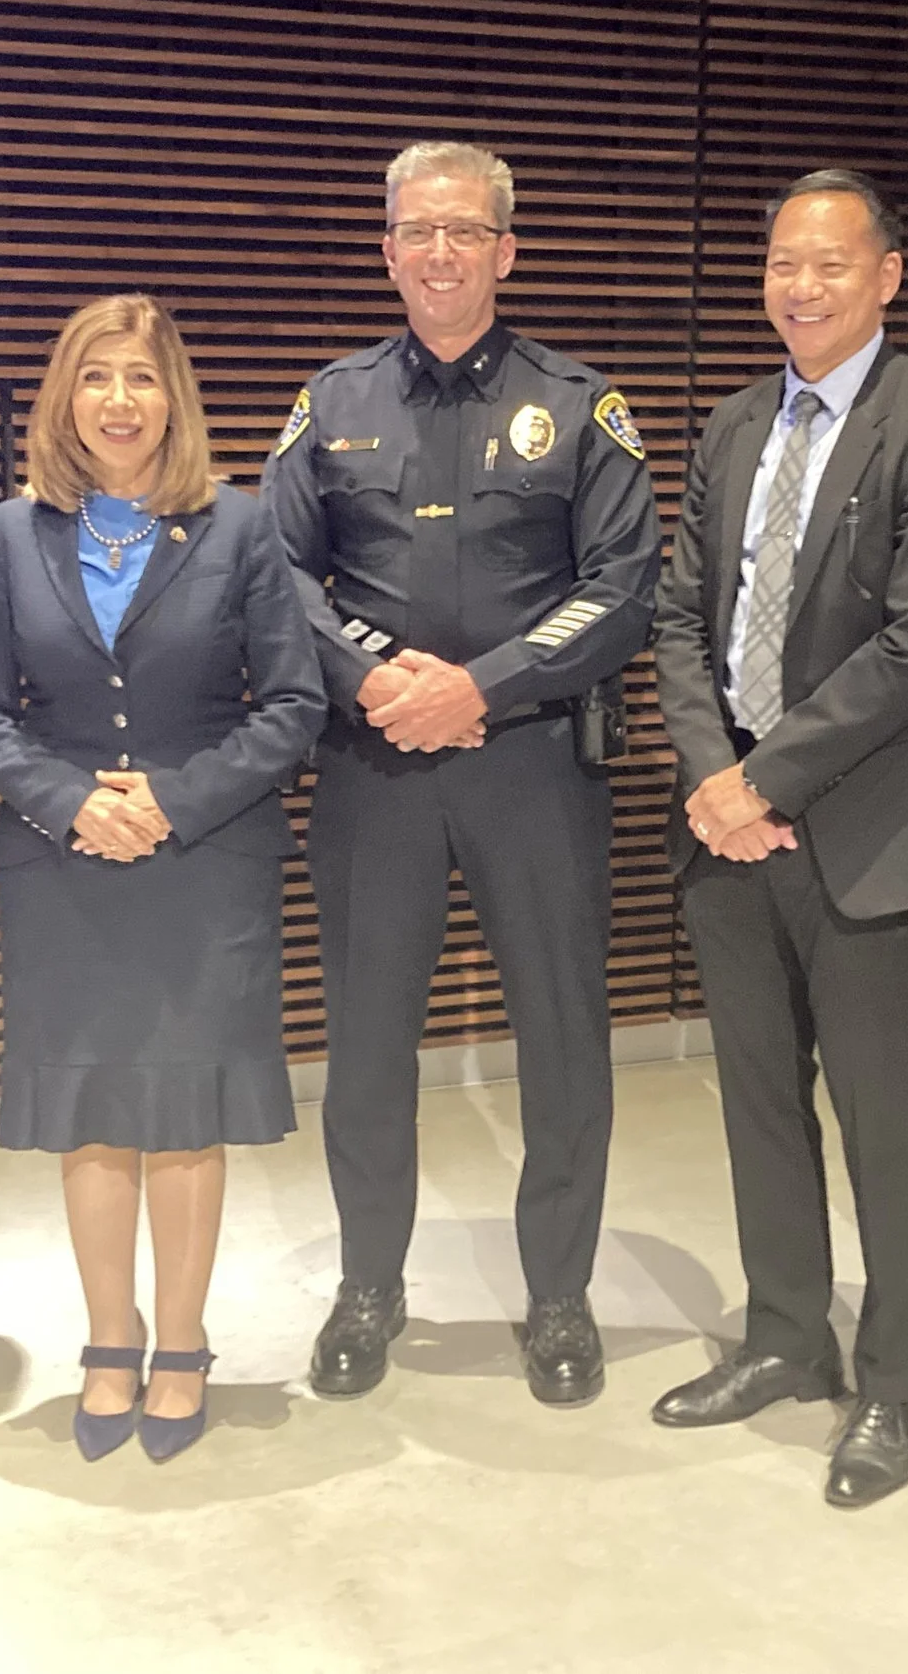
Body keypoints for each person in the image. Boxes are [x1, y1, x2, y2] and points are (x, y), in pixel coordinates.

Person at [261, 141, 660, 1407]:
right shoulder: (330, 403)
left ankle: (557, 1298)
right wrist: (379, 680)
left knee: (562, 1041)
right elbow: (271, 576)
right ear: (387, 250)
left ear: (505, 249)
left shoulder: (580, 402)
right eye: (416, 232)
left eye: (465, 231)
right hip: (373, 766)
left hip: (531, 766)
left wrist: (473, 687)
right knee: (369, 1045)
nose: (439, 253)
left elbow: (623, 588)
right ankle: (369, 1288)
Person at [649, 168, 908, 1508]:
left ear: (885, 276)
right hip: (731, 834)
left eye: (830, 262)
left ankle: (894, 1384)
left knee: (880, 1117)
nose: (801, 284)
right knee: (754, 1102)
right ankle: (785, 1335)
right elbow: (684, 615)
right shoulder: (735, 425)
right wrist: (710, 772)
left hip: (866, 833)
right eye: (783, 262)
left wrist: (768, 775)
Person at [0, 294, 325, 1462]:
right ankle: (109, 1340)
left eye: (144, 377)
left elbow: (296, 704)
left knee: (183, 1117)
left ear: (177, 400)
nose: (120, 400)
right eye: (97, 377)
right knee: (95, 1115)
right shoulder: (11, 535)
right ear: (65, 398)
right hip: (63, 868)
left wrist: (172, 799)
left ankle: (185, 1343)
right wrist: (70, 803)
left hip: (204, 865)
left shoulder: (239, 529)